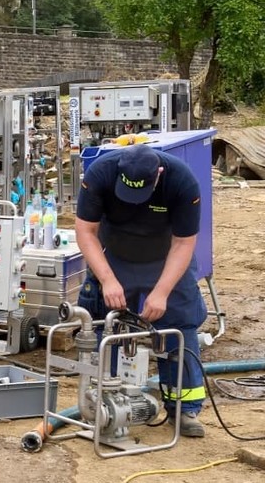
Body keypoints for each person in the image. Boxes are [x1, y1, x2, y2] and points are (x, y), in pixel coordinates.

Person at [75, 143, 208, 438]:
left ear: (158, 174)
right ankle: (101, 404)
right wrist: (107, 279)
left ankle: (184, 409)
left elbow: (184, 243)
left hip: (166, 259)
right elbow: (85, 230)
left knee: (179, 325)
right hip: (115, 256)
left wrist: (161, 292)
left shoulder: (181, 181)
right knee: (102, 324)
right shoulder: (100, 173)